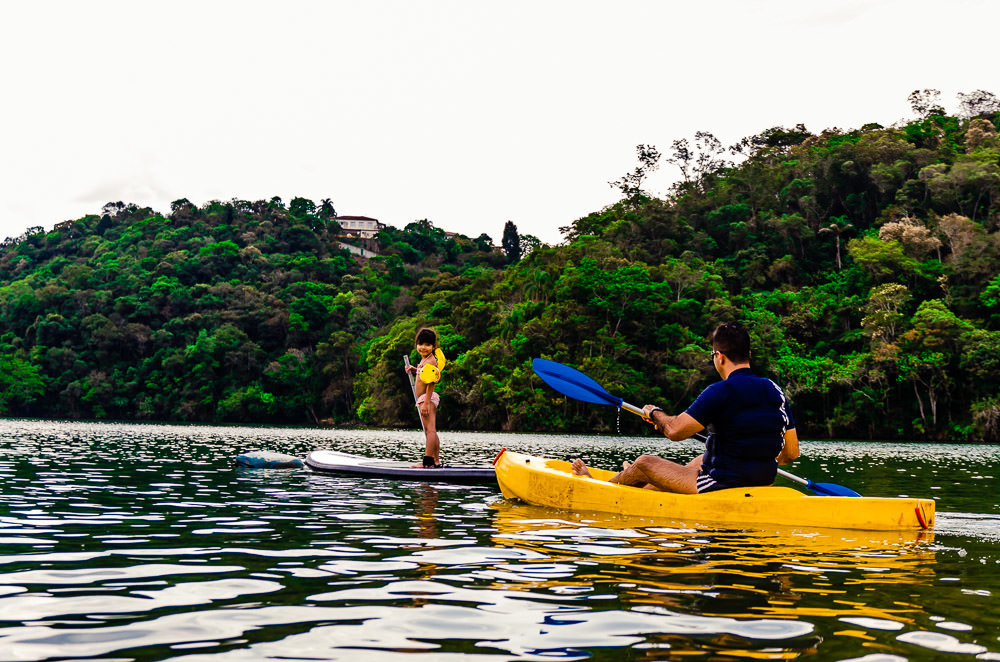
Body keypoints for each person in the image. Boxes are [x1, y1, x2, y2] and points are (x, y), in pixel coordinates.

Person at [572, 321, 799, 493]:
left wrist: (655, 414)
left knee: (644, 463)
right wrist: (754, 459)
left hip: (723, 485)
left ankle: (598, 489)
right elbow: (791, 452)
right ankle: (640, 488)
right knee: (700, 460)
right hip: (763, 483)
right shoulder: (775, 390)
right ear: (748, 355)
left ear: (719, 357)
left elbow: (675, 431)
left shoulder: (720, 391)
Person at [405, 327, 446, 468]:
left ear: (433, 346)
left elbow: (431, 383)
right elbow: (423, 375)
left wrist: (426, 402)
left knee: (430, 431)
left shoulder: (430, 361)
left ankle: (427, 462)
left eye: (427, 345)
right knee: (431, 430)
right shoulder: (425, 360)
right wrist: (414, 369)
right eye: (420, 344)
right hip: (425, 398)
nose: (423, 347)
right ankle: (435, 460)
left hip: (426, 398)